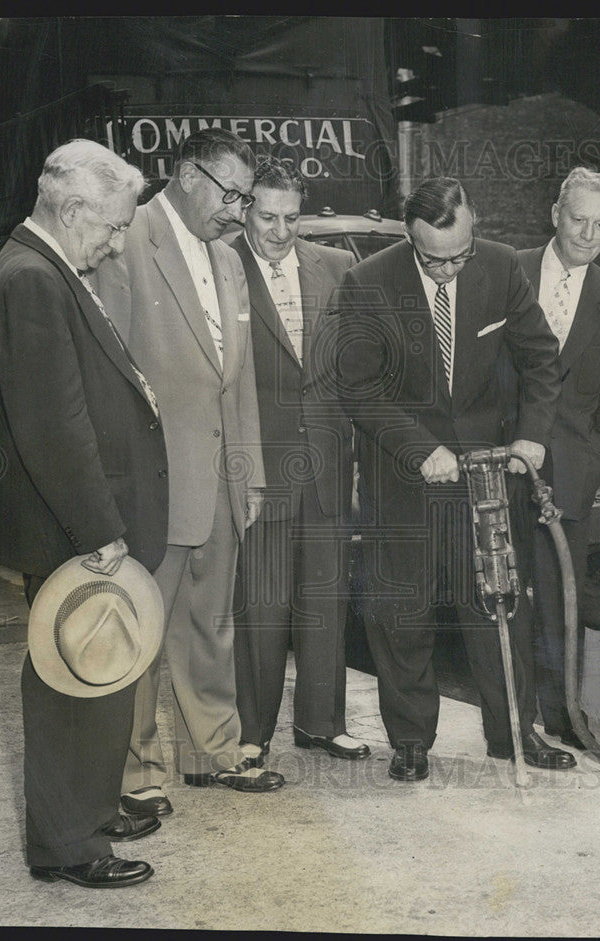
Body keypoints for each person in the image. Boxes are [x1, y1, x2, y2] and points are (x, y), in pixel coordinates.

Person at [0, 139, 168, 887]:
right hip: (73, 528)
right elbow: (52, 425)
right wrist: (102, 529)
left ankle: (89, 806)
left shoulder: (48, 268)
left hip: (79, 524)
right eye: (113, 227)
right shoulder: (32, 279)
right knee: (70, 679)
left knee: (101, 670)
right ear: (73, 207)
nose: (117, 243)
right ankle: (68, 845)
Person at [336, 176, 571, 782]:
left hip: (486, 477)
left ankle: (513, 734)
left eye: (458, 256)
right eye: (432, 259)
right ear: (410, 238)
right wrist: (421, 448)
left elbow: (541, 358)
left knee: (498, 608)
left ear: (475, 228)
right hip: (405, 479)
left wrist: (533, 434)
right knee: (402, 613)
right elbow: (358, 388)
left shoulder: (499, 268)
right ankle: (412, 741)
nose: (447, 270)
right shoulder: (368, 282)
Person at [93, 128, 284, 806]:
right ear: (188, 175)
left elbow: (240, 380)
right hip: (155, 483)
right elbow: (106, 373)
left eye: (244, 198)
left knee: (211, 623)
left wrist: (251, 472)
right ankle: (138, 771)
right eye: (232, 195)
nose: (239, 211)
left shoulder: (229, 260)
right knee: (142, 627)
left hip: (220, 480)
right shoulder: (127, 239)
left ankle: (215, 751)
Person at [229, 158, 370, 762]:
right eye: (267, 216)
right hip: (260, 468)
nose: (281, 231)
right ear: (245, 211)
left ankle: (320, 723)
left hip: (328, 463)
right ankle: (251, 735)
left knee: (325, 601)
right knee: (261, 609)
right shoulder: (221, 264)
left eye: (292, 218)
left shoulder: (337, 266)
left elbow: (361, 366)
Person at [513, 167, 600, 748]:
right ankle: (510, 720)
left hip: (571, 475)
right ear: (555, 214)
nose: (587, 234)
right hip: (502, 462)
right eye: (578, 219)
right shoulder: (505, 270)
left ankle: (561, 718)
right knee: (500, 591)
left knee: (563, 598)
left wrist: (591, 463)